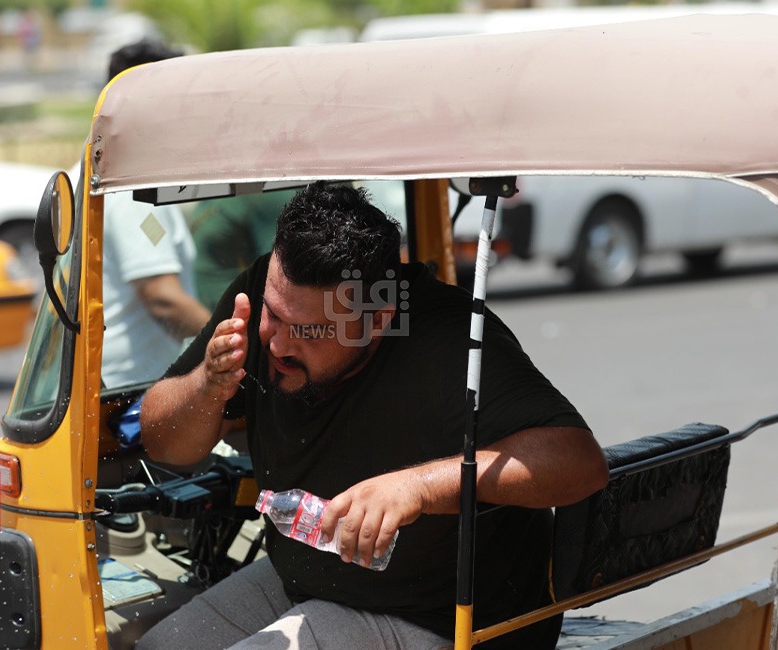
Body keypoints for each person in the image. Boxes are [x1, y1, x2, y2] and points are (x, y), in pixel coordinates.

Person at [137, 182, 608, 649]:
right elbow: (162, 443)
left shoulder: (443, 335)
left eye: (309, 331)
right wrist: (208, 384)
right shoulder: (262, 296)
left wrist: (418, 489)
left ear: (377, 317)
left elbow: (579, 462)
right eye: (274, 317)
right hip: (306, 576)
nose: (277, 344)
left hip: (437, 615)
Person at [98, 40, 211, 387]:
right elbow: (162, 298)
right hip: (132, 393)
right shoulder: (133, 190)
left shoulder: (103, 169)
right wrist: (239, 345)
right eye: (179, 100)